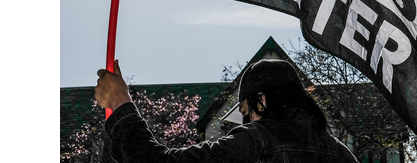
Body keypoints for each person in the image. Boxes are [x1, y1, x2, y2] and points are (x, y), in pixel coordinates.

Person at [95, 58, 359, 162]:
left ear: (262, 100)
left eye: (246, 112)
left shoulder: (257, 139)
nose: (245, 121)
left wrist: (120, 103)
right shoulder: (343, 155)